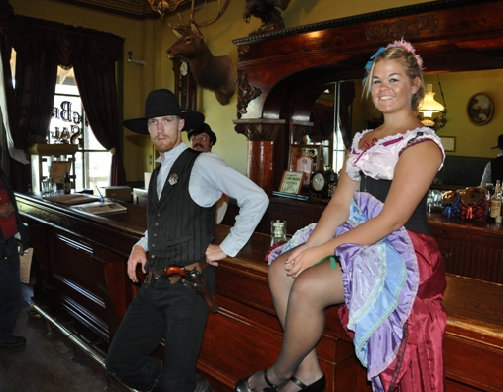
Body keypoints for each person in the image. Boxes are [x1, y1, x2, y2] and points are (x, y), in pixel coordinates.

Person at [234, 40, 446, 392]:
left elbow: (392, 219)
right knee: (280, 269)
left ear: (415, 84)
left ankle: (276, 375)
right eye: (377, 81)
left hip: (401, 247)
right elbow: (339, 204)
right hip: (360, 234)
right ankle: (309, 375)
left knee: (305, 288)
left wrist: (324, 251)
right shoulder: (364, 139)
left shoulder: (422, 144)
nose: (384, 89)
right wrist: (311, 247)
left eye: (394, 80)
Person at [105, 88, 269, 392]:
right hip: (153, 285)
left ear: (181, 124)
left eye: (167, 120)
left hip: (188, 289)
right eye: (153, 122)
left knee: (174, 382)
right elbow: (160, 223)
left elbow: (255, 197)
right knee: (118, 361)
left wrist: (227, 247)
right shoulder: (157, 173)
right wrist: (140, 246)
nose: (159, 129)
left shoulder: (203, 163)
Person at [0, 167, 30, 348]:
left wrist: (20, 236)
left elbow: (12, 206)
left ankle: (4, 335)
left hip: (9, 242)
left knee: (12, 295)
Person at [185, 121, 229, 224]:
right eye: (194, 138)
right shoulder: (186, 165)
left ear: (211, 143)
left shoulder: (217, 166)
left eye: (203, 138)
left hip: (210, 220)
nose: (198, 142)